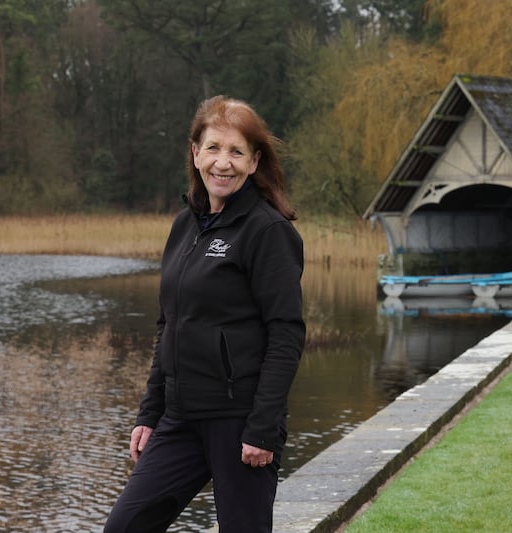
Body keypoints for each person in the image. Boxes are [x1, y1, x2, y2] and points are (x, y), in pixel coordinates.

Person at [104, 96, 305, 533]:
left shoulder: (268, 231)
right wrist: (149, 414)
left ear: (254, 163)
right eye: (213, 148)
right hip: (180, 417)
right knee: (124, 527)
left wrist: (263, 428)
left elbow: (286, 334)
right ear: (195, 154)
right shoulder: (184, 226)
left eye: (236, 152)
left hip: (240, 421)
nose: (223, 163)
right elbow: (169, 325)